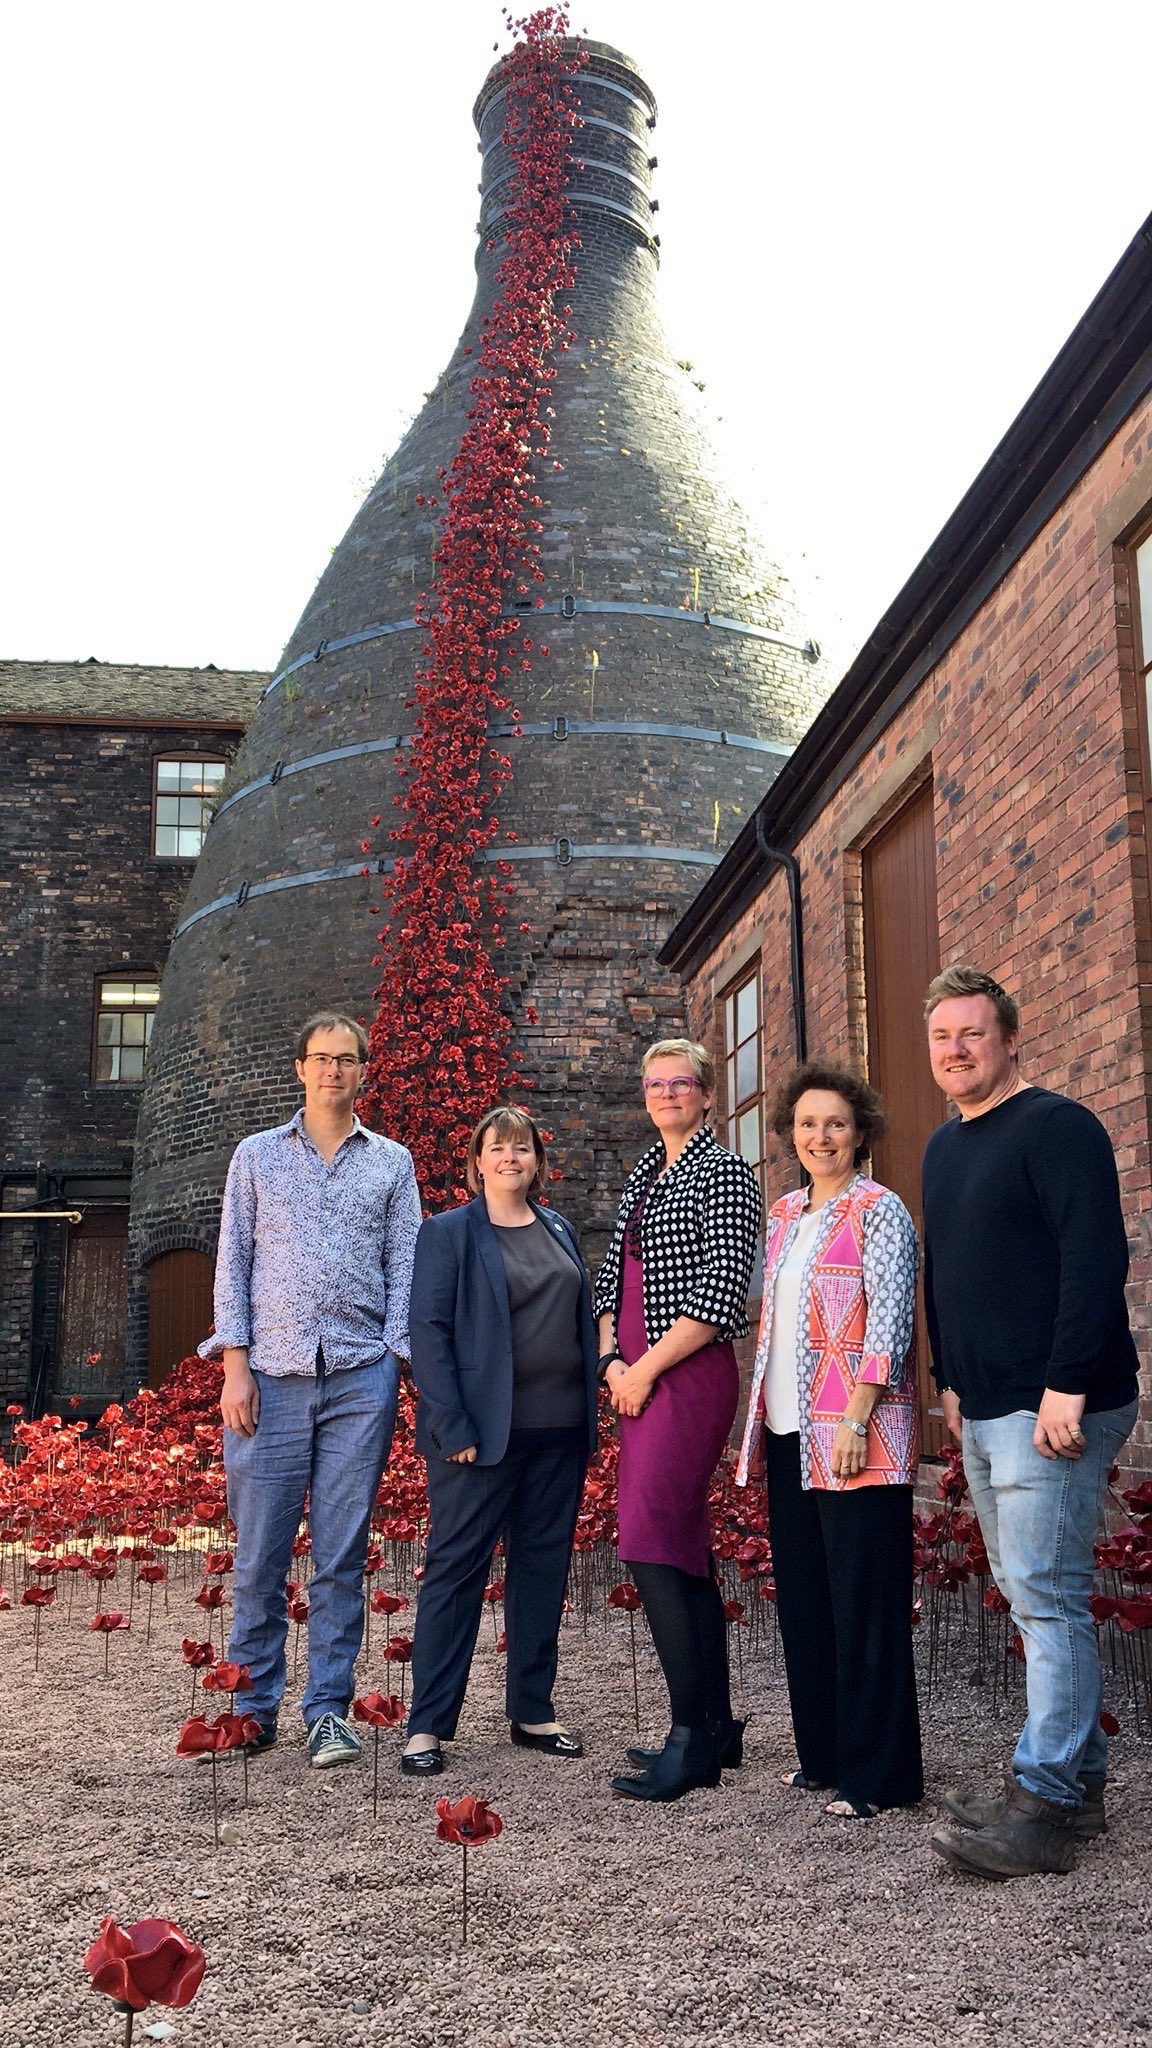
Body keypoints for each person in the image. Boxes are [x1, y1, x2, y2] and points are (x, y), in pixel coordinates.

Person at [922, 965, 1140, 1879]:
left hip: (1055, 1403)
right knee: (1030, 1592)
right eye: (942, 1036)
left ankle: (1042, 1806)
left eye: (973, 1033)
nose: (957, 1050)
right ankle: (1079, 1790)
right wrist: (947, 1380)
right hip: (986, 1403)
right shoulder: (944, 1147)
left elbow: (1096, 1259)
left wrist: (1066, 1385)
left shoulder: (1058, 1128)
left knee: (1046, 1600)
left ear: (1010, 1039)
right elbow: (954, 1270)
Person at [201, 1011, 421, 1768]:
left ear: (364, 1070)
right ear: (300, 1067)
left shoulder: (391, 1163)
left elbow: (407, 1269)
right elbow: (232, 1262)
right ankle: (252, 1709)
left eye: (347, 1059)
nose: (334, 1070)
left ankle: (328, 1709)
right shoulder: (256, 1157)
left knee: (340, 1554)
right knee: (260, 1554)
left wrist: (393, 1358)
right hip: (271, 1380)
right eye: (321, 1058)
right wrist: (235, 1366)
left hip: (360, 1379)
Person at [734, 1061, 923, 1818]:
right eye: (809, 1124)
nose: (822, 1136)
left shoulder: (880, 1210)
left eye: (836, 1124)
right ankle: (822, 1758)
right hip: (788, 1433)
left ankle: (879, 1779)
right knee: (808, 1602)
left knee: (864, 1605)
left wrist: (855, 1417)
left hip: (856, 1438)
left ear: (860, 1132)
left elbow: (889, 1323)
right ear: (791, 1132)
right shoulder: (783, 1215)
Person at [400, 1106, 598, 1776]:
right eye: (498, 1148)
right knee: (456, 1574)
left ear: (537, 1161)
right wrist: (450, 1422)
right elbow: (427, 1333)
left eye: (523, 1148)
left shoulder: (560, 1229)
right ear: (477, 1162)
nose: (511, 1157)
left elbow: (580, 1320)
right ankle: (427, 1727)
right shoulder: (449, 1233)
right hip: (477, 1439)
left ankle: (532, 1711)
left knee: (541, 1572)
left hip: (558, 1434)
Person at [594, 1037, 761, 1802]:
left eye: (681, 1082)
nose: (666, 1093)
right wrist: (610, 1363)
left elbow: (722, 1292)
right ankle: (718, 1727)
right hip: (635, 1382)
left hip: (685, 1380)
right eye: (654, 1082)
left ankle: (687, 1738)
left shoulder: (722, 1171)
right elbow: (608, 1279)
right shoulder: (643, 1172)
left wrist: (645, 1369)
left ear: (706, 1094)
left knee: (651, 1544)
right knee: (683, 1550)